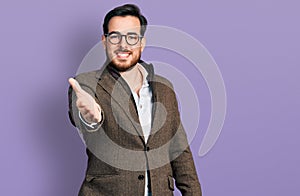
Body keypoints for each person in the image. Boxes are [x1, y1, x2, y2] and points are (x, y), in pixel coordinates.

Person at [68, 4, 202, 196]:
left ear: (142, 42)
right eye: (115, 37)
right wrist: (91, 117)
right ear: (104, 41)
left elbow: (179, 150)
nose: (123, 45)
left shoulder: (165, 89)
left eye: (131, 37)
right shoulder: (86, 84)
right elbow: (85, 118)